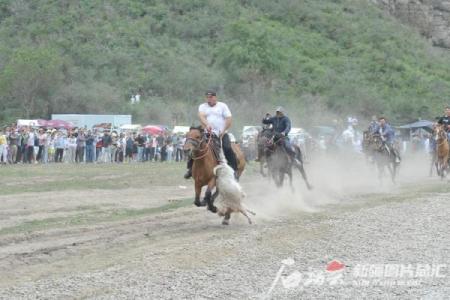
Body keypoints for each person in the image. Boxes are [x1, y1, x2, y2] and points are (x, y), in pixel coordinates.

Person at [184, 90, 237, 179]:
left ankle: (234, 169)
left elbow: (229, 118)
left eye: (211, 97)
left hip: (221, 133)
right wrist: (207, 124)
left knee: (227, 148)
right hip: (206, 133)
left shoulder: (222, 106)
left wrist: (223, 130)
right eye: (208, 97)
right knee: (195, 146)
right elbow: (201, 116)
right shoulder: (202, 106)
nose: (209, 99)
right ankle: (190, 169)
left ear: (215, 97)